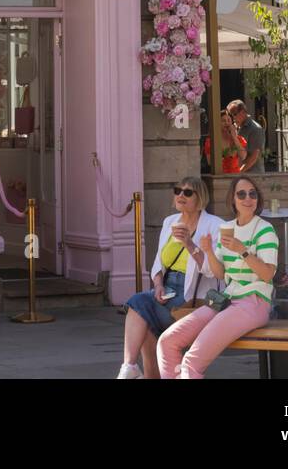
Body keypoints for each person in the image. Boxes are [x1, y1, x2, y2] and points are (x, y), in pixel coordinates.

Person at [156, 176, 279, 379]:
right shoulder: (227, 228)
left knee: (191, 363)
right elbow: (220, 273)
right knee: (167, 341)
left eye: (252, 194)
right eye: (241, 194)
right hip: (225, 301)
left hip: (253, 302)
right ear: (233, 199)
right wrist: (209, 252)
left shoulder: (265, 230)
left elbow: (267, 275)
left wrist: (243, 251)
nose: (248, 198)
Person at [117, 177, 222, 379]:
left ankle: (144, 374)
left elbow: (214, 271)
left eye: (188, 192)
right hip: (167, 288)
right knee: (138, 302)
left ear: (200, 198)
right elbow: (159, 262)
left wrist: (190, 244)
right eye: (177, 191)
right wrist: (157, 285)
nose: (181, 195)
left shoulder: (214, 225)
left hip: (194, 295)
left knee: (144, 316)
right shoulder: (170, 222)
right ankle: (129, 366)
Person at [227, 99, 266, 172]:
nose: (233, 118)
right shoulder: (236, 127)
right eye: (230, 115)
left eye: (234, 114)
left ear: (243, 112)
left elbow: (254, 156)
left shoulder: (255, 129)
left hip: (253, 175)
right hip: (240, 174)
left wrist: (239, 172)